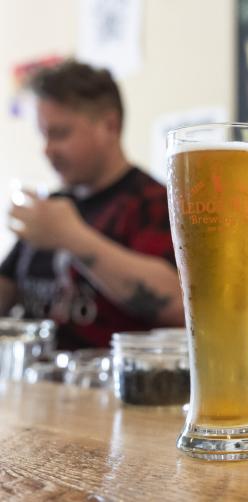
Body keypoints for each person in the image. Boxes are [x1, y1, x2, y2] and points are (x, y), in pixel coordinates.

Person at [0, 60, 184, 350]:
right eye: (43, 134)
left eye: (60, 133)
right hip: (32, 386)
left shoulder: (154, 201)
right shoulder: (51, 207)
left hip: (116, 389)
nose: (47, 150)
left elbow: (178, 303)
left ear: (109, 126)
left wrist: (71, 237)